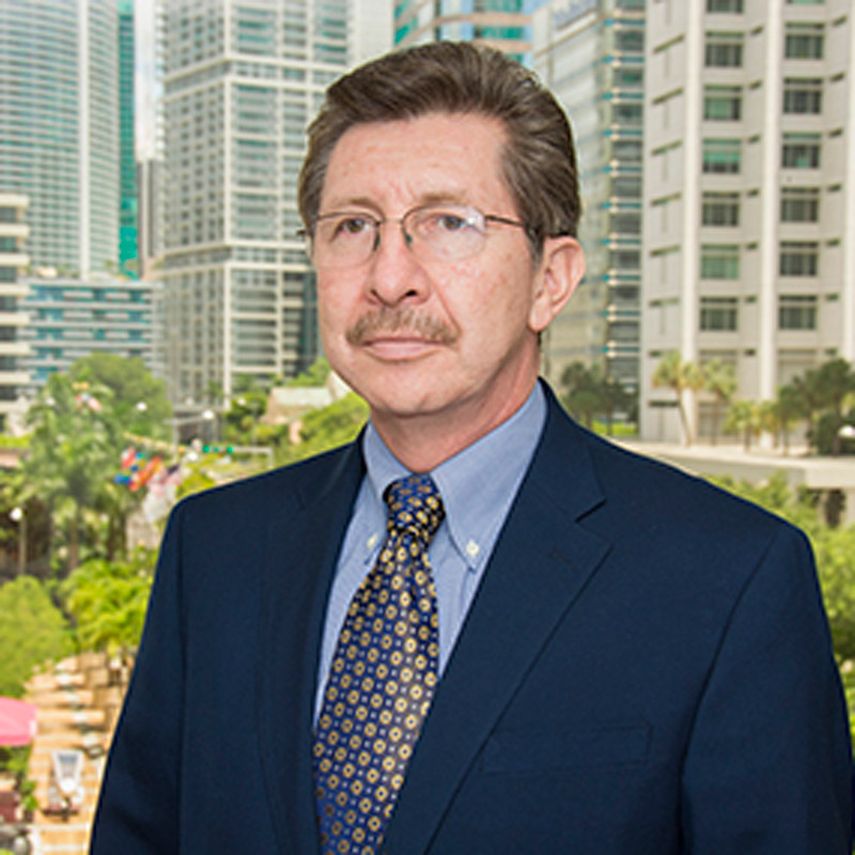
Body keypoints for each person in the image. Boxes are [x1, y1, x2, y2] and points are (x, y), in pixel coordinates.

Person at [91, 42, 852, 854]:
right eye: (352, 227)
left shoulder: (731, 579)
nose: (389, 276)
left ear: (549, 279)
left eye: (448, 223)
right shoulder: (214, 549)